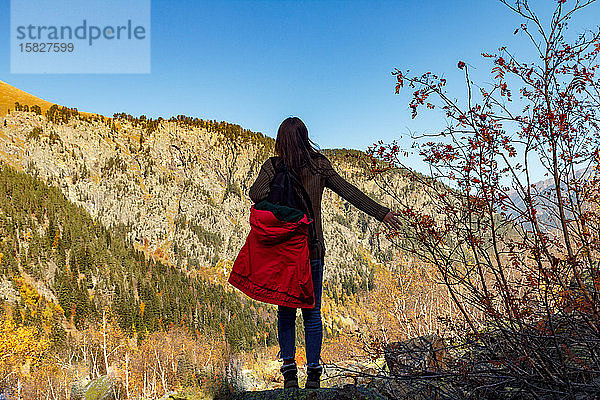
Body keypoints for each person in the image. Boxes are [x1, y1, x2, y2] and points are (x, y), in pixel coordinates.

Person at [248, 117, 401, 389]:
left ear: (281, 140)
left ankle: (289, 373)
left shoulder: (273, 166)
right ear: (305, 137)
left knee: (285, 311)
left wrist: (279, 193)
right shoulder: (319, 165)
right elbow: (349, 192)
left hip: (285, 251)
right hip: (313, 249)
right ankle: (315, 372)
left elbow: (255, 194)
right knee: (312, 312)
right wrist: (381, 213)